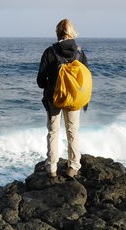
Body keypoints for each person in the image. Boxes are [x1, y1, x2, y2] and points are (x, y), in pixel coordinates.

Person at [37, 18, 89, 178]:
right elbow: (86, 80)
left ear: (57, 33)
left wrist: (50, 85)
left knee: (53, 131)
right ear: (72, 32)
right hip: (74, 99)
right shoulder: (79, 53)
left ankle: (52, 168)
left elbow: (40, 81)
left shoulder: (50, 52)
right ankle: (73, 167)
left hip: (54, 98)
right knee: (72, 131)